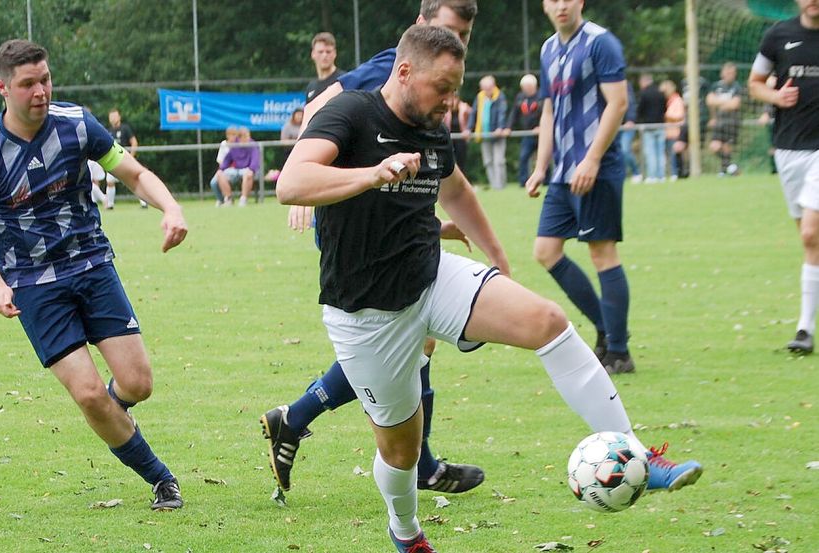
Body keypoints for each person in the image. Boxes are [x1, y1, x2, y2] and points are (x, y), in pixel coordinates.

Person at [278, 24, 701, 553]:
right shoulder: (351, 114)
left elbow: (454, 190)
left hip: (431, 278)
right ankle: (405, 533)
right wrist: (373, 174)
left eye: (457, 89)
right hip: (366, 314)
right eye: (443, 88)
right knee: (403, 449)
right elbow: (290, 184)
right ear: (404, 72)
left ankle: (639, 454)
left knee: (548, 322)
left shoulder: (432, 125)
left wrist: (498, 260)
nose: (451, 101)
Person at [263, 0, 489, 501]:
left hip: (391, 215)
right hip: (352, 217)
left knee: (414, 339)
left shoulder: (437, 79)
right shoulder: (392, 65)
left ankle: (297, 420)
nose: (458, 43)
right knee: (404, 336)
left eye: (465, 34)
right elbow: (322, 112)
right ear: (421, 25)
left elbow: (417, 169)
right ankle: (417, 464)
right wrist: (306, 182)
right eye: (449, 29)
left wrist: (430, 222)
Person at [0, 39, 188, 511]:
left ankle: (108, 415)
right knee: (87, 393)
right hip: (34, 286)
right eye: (27, 84)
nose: (40, 91)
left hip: (92, 265)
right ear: (2, 87)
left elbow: (134, 174)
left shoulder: (77, 124)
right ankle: (161, 478)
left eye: (45, 80)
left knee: (137, 384)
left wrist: (170, 207)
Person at [526, 0, 635, 374]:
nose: (561, 5)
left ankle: (619, 352)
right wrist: (541, 166)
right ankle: (606, 328)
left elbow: (617, 104)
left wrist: (591, 159)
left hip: (596, 169)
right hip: (562, 173)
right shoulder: (547, 48)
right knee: (545, 250)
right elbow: (548, 110)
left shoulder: (601, 43)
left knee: (602, 254)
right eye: (553, 0)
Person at [748, 0, 819, 353]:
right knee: (811, 241)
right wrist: (776, 96)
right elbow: (754, 83)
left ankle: (804, 329)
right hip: (790, 150)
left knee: (810, 234)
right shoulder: (778, 35)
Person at [469, 74, 509, 189]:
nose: (487, 91)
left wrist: (500, 127)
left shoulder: (500, 96)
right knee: (488, 161)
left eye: (488, 88)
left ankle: (500, 186)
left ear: (493, 86)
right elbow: (474, 113)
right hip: (484, 134)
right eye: (484, 89)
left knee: (499, 161)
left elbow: (502, 112)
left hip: (497, 135)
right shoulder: (480, 97)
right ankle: (494, 185)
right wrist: (468, 128)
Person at [505, 73, 544, 188]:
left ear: (534, 86)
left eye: (527, 87)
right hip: (528, 134)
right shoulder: (520, 97)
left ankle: (546, 182)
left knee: (543, 159)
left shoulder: (542, 96)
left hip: (542, 134)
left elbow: (547, 114)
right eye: (523, 87)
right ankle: (523, 182)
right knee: (523, 157)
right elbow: (514, 114)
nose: (525, 90)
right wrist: (508, 127)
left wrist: (541, 127)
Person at [706, 62, 743, 176]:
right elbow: (710, 101)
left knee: (727, 146)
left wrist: (719, 103)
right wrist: (726, 103)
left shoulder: (737, 87)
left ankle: (723, 170)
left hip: (732, 121)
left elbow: (735, 104)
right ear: (722, 73)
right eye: (727, 72)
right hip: (718, 120)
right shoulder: (716, 86)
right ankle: (731, 167)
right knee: (714, 147)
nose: (730, 75)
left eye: (732, 73)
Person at [106, 108, 141, 208]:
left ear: (119, 117)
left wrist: (131, 156)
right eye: (111, 117)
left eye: (115, 116)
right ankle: (110, 204)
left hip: (125, 159)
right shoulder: (108, 131)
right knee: (110, 181)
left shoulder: (125, 128)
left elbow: (134, 142)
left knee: (133, 181)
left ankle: (143, 202)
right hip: (113, 160)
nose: (113, 119)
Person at [216, 126, 260, 206]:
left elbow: (255, 160)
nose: (248, 138)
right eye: (246, 136)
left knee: (248, 174)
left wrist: (252, 169)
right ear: (240, 138)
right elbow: (227, 159)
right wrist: (221, 169)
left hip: (248, 169)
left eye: (248, 136)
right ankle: (228, 199)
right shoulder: (234, 145)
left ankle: (243, 199)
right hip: (236, 170)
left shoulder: (252, 144)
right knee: (219, 174)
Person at [636, 73, 667, 182]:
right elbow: (664, 108)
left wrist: (640, 120)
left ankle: (652, 176)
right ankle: (661, 176)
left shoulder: (644, 94)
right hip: (660, 124)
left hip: (648, 126)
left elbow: (640, 109)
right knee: (660, 151)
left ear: (644, 82)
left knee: (651, 152)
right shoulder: (661, 93)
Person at [306, 32, 345, 102]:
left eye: (328, 52)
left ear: (335, 53)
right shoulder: (311, 87)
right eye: (320, 52)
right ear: (313, 54)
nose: (324, 55)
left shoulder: (344, 81)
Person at [662, 79, 685, 181]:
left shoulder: (677, 100)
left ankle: (675, 173)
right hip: (667, 132)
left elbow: (679, 115)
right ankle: (672, 172)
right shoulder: (667, 101)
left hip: (675, 132)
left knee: (674, 154)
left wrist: (666, 115)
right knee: (668, 154)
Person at [620, 80, 643, 183]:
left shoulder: (625, 85)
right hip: (614, 125)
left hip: (627, 125)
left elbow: (630, 103)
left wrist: (630, 119)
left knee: (625, 150)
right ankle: (621, 174)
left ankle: (636, 172)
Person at [444, 92, 472, 177]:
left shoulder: (465, 107)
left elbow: (473, 117)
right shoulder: (446, 109)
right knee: (450, 161)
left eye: (455, 98)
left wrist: (468, 129)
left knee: (461, 161)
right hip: (449, 139)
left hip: (461, 139)